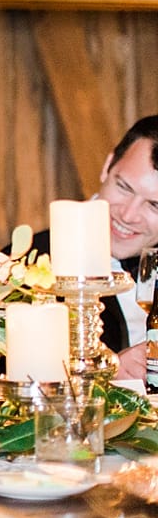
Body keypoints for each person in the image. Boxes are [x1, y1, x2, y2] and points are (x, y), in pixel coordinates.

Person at [27, 115, 158, 373]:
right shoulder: (30, 261)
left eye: (154, 205)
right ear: (107, 165)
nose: (128, 215)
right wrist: (108, 377)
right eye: (124, 188)